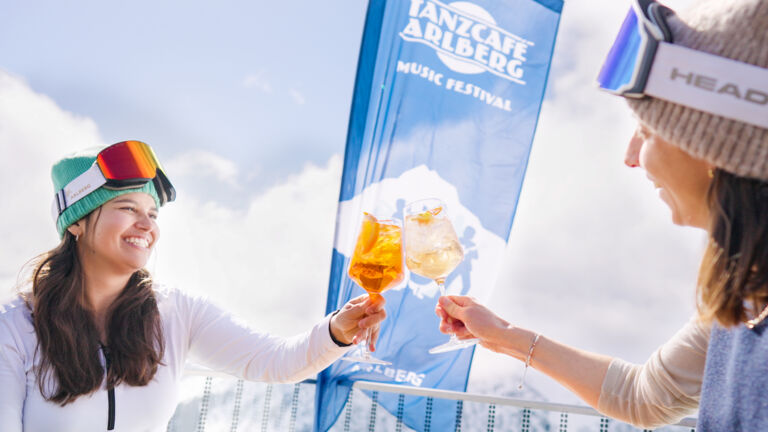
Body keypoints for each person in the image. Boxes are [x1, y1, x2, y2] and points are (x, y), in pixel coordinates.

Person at [436, 0, 768, 430]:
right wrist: (502, 335)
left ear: (717, 149)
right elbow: (643, 397)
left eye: (647, 131)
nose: (632, 157)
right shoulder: (741, 293)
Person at [0, 141, 386, 432]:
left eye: (151, 213)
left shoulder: (176, 313)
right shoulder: (17, 326)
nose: (147, 225)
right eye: (127, 209)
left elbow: (275, 362)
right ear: (76, 222)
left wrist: (338, 331)